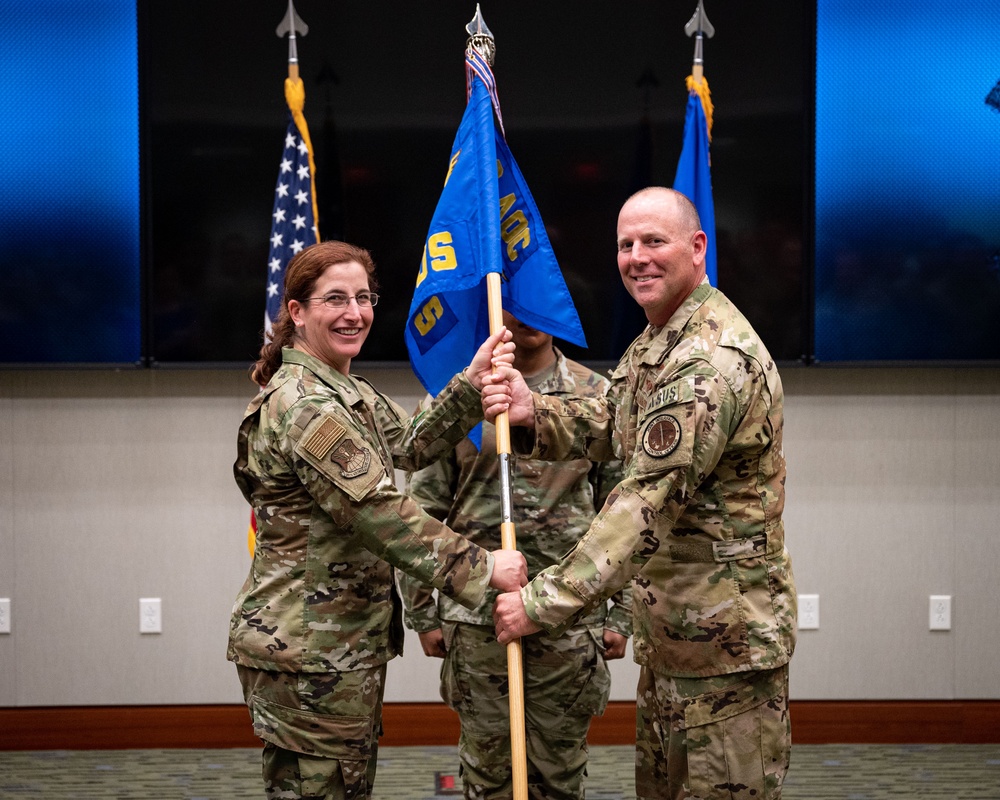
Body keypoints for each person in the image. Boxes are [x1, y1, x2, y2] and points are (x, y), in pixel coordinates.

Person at [485, 188, 797, 800]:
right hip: (676, 638)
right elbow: (615, 420)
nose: (636, 258)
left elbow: (644, 504)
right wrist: (534, 412)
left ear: (697, 247)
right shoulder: (659, 339)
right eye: (626, 245)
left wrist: (540, 601)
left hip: (724, 652)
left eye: (654, 241)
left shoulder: (707, 360)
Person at [229, 240, 528, 800]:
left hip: (337, 644)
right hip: (310, 650)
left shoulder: (343, 389)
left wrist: (470, 382)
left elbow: (411, 445)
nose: (355, 313)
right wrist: (485, 568)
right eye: (335, 299)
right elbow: (380, 515)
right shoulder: (307, 405)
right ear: (297, 311)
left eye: (364, 298)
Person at [398, 311, 632, 800]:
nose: (527, 315)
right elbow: (421, 513)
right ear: (494, 303)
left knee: (559, 772)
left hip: (569, 615)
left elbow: (623, 513)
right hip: (476, 613)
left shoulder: (598, 396)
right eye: (514, 304)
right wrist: (423, 613)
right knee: (488, 773)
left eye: (535, 301)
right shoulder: (456, 400)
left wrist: (624, 613)